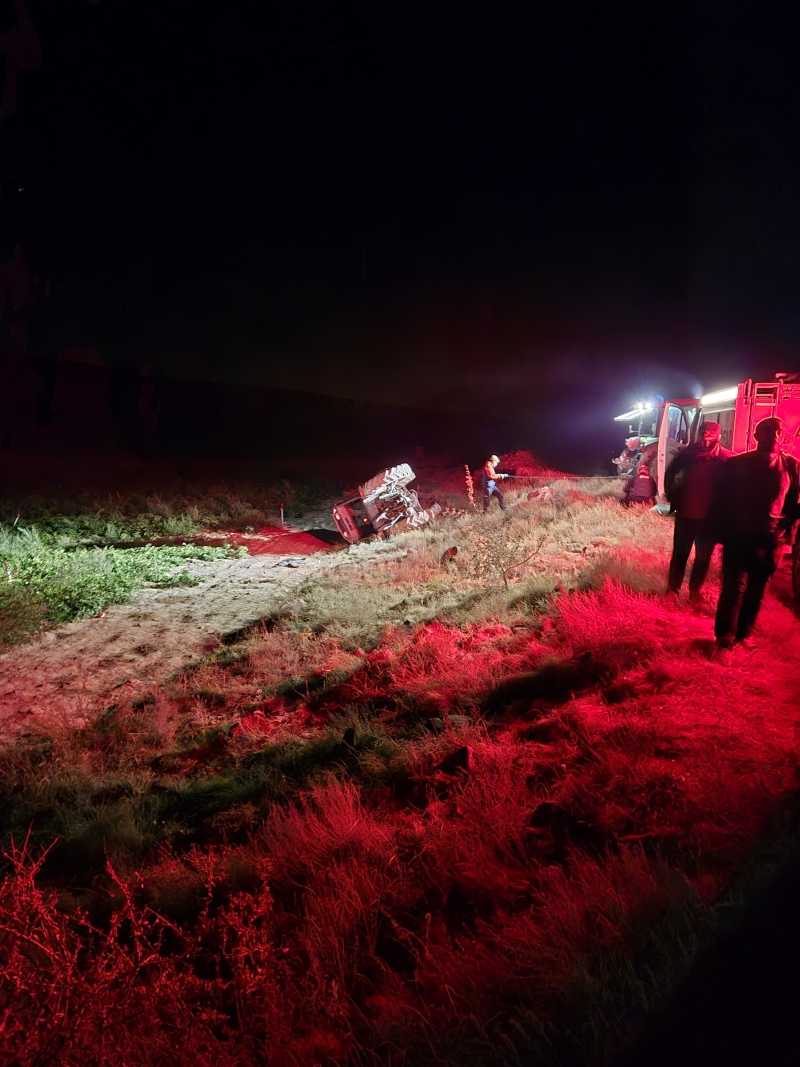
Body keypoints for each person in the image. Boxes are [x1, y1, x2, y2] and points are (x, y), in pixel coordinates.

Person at [712, 416, 800, 660]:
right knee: (734, 589)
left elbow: (794, 502)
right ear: (756, 436)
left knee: (757, 591)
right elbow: (720, 500)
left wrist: (785, 529)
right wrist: (718, 533)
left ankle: (743, 635)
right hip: (739, 537)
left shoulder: (792, 466)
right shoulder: (736, 464)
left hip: (771, 540)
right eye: (768, 430)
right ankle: (724, 640)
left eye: (779, 431)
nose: (774, 435)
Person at [665, 420, 734, 603]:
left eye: (710, 437)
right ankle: (672, 590)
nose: (705, 440)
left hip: (710, 519)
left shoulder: (727, 459)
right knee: (680, 554)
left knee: (703, 557)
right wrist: (672, 496)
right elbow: (670, 474)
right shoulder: (686, 454)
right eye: (703, 435)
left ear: (719, 437)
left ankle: (695, 591)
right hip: (686, 514)